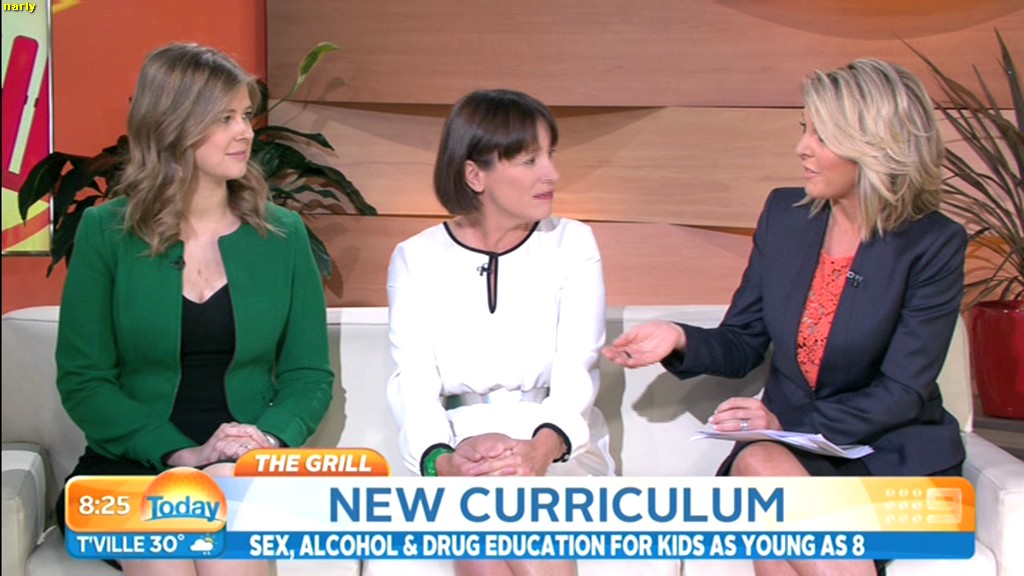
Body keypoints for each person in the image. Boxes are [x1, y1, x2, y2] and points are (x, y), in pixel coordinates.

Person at [604, 59, 967, 576]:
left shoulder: (933, 243)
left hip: (896, 457)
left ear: (874, 145)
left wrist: (783, 423)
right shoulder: (785, 215)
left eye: (822, 136)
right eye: (804, 129)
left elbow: (903, 391)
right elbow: (744, 339)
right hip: (794, 456)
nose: (802, 148)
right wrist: (678, 337)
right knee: (759, 466)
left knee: (773, 512)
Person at [54, 43, 334, 576]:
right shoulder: (107, 232)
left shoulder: (283, 234)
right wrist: (183, 455)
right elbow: (84, 381)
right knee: (165, 545)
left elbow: (308, 376)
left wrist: (262, 442)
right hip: (131, 463)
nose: (245, 132)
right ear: (173, 125)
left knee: (225, 531)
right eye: (224, 118)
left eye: (246, 115)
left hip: (242, 463)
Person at [386, 88, 613, 575]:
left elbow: (578, 365)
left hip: (558, 443)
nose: (551, 173)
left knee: (508, 495)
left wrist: (540, 448)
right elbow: (414, 379)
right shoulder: (415, 256)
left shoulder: (573, 243)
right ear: (475, 175)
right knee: (479, 500)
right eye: (529, 160)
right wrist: (441, 460)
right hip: (458, 441)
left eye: (551, 154)